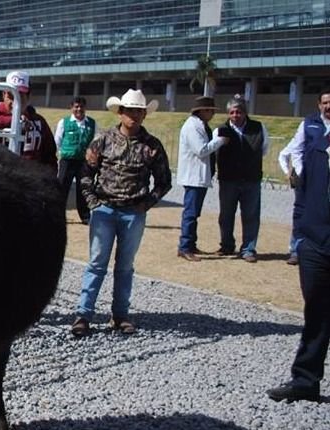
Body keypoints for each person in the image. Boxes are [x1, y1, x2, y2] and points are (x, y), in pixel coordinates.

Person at [70, 89, 171, 337]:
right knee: (96, 264)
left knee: (125, 266)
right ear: (121, 113)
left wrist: (146, 204)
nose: (135, 115)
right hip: (104, 209)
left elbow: (164, 181)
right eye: (130, 111)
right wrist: (92, 201)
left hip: (133, 213)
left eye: (139, 111)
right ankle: (84, 314)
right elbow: (85, 173)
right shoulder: (102, 140)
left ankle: (120, 315)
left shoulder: (152, 146)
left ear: (144, 115)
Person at [267, 88, 330, 404]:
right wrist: (303, 234)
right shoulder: (317, 143)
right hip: (316, 241)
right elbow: (302, 188)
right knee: (317, 313)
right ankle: (305, 380)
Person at [212, 94, 271, 263]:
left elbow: (265, 148)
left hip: (251, 179)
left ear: (245, 113)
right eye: (232, 112)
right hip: (228, 180)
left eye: (238, 112)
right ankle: (227, 245)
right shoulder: (220, 130)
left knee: (251, 215)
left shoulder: (259, 128)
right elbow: (215, 150)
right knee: (226, 215)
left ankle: (248, 248)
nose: (235, 116)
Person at [175, 96, 228, 261]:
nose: (212, 114)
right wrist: (220, 141)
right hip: (193, 176)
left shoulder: (201, 125)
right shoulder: (192, 126)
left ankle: (190, 244)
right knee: (190, 213)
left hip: (199, 176)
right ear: (202, 111)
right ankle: (184, 247)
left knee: (194, 213)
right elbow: (201, 150)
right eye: (210, 110)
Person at [55, 96, 97, 224]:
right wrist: (59, 154)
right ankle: (58, 215)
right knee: (62, 187)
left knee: (83, 188)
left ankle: (85, 216)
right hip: (67, 160)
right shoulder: (64, 122)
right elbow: (57, 140)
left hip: (83, 162)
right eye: (76, 106)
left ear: (85, 108)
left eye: (81, 106)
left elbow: (95, 142)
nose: (79, 109)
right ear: (71, 108)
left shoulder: (92, 123)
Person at [278, 139, 304, 265]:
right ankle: (295, 251)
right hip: (303, 181)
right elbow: (283, 154)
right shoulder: (305, 134)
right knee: (301, 215)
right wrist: (287, 171)